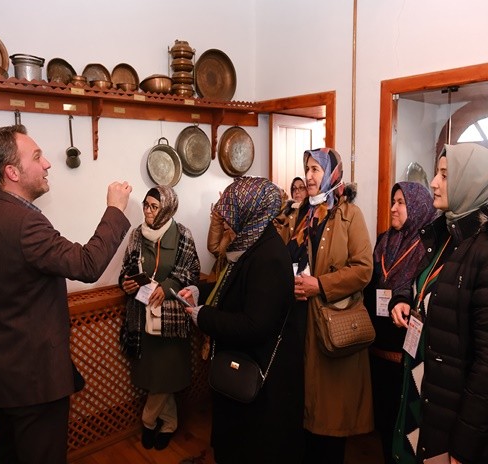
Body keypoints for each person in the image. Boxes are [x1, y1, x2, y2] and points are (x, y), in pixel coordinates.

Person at [0, 124, 132, 464]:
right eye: (36, 156)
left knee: (9, 454)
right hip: (32, 380)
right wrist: (115, 209)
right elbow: (87, 263)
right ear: (12, 172)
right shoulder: (26, 224)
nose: (47, 163)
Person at [390, 143, 488, 464]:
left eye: (445, 175)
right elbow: (432, 291)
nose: (433, 182)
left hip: (453, 423)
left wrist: (464, 447)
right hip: (427, 394)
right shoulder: (449, 235)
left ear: (473, 183)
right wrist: (409, 302)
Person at [181, 176, 305, 464]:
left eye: (230, 212)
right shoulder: (251, 244)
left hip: (261, 382)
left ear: (249, 211)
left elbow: (256, 325)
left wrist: (205, 317)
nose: (224, 220)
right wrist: (202, 290)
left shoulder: (269, 256)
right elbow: (232, 287)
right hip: (243, 372)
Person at [277, 147, 374, 464]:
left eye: (316, 169)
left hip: (331, 323)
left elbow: (363, 269)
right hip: (298, 321)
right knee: (301, 407)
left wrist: (320, 285)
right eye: (307, 168)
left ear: (333, 173)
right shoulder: (298, 213)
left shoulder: (349, 215)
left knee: (330, 415)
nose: (308, 176)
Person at [118, 185, 200, 451]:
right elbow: (126, 271)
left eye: (154, 206)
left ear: (167, 208)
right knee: (153, 375)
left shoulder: (183, 234)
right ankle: (169, 423)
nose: (148, 211)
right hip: (142, 317)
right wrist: (126, 284)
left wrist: (166, 287)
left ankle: (148, 420)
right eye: (146, 205)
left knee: (166, 374)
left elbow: (192, 271)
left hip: (171, 320)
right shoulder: (135, 235)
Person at [363, 181, 436, 464]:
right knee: (383, 419)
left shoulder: (426, 248)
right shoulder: (384, 240)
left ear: (417, 207)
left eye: (401, 203)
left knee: (404, 421)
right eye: (393, 201)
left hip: (406, 351)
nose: (393, 208)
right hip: (377, 345)